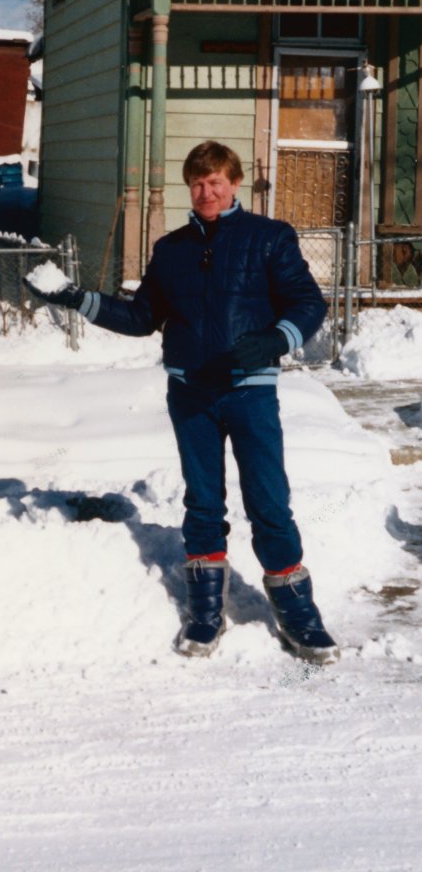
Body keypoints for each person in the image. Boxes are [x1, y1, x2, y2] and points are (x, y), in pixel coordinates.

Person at [26, 140, 339, 664]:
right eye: (197, 183)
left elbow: (308, 303)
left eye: (216, 182)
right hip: (191, 391)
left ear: (235, 183)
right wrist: (77, 299)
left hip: (249, 392)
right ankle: (205, 611)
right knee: (202, 501)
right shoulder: (170, 250)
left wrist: (275, 339)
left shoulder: (269, 239)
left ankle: (299, 616)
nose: (206, 192)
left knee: (268, 501)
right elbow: (141, 317)